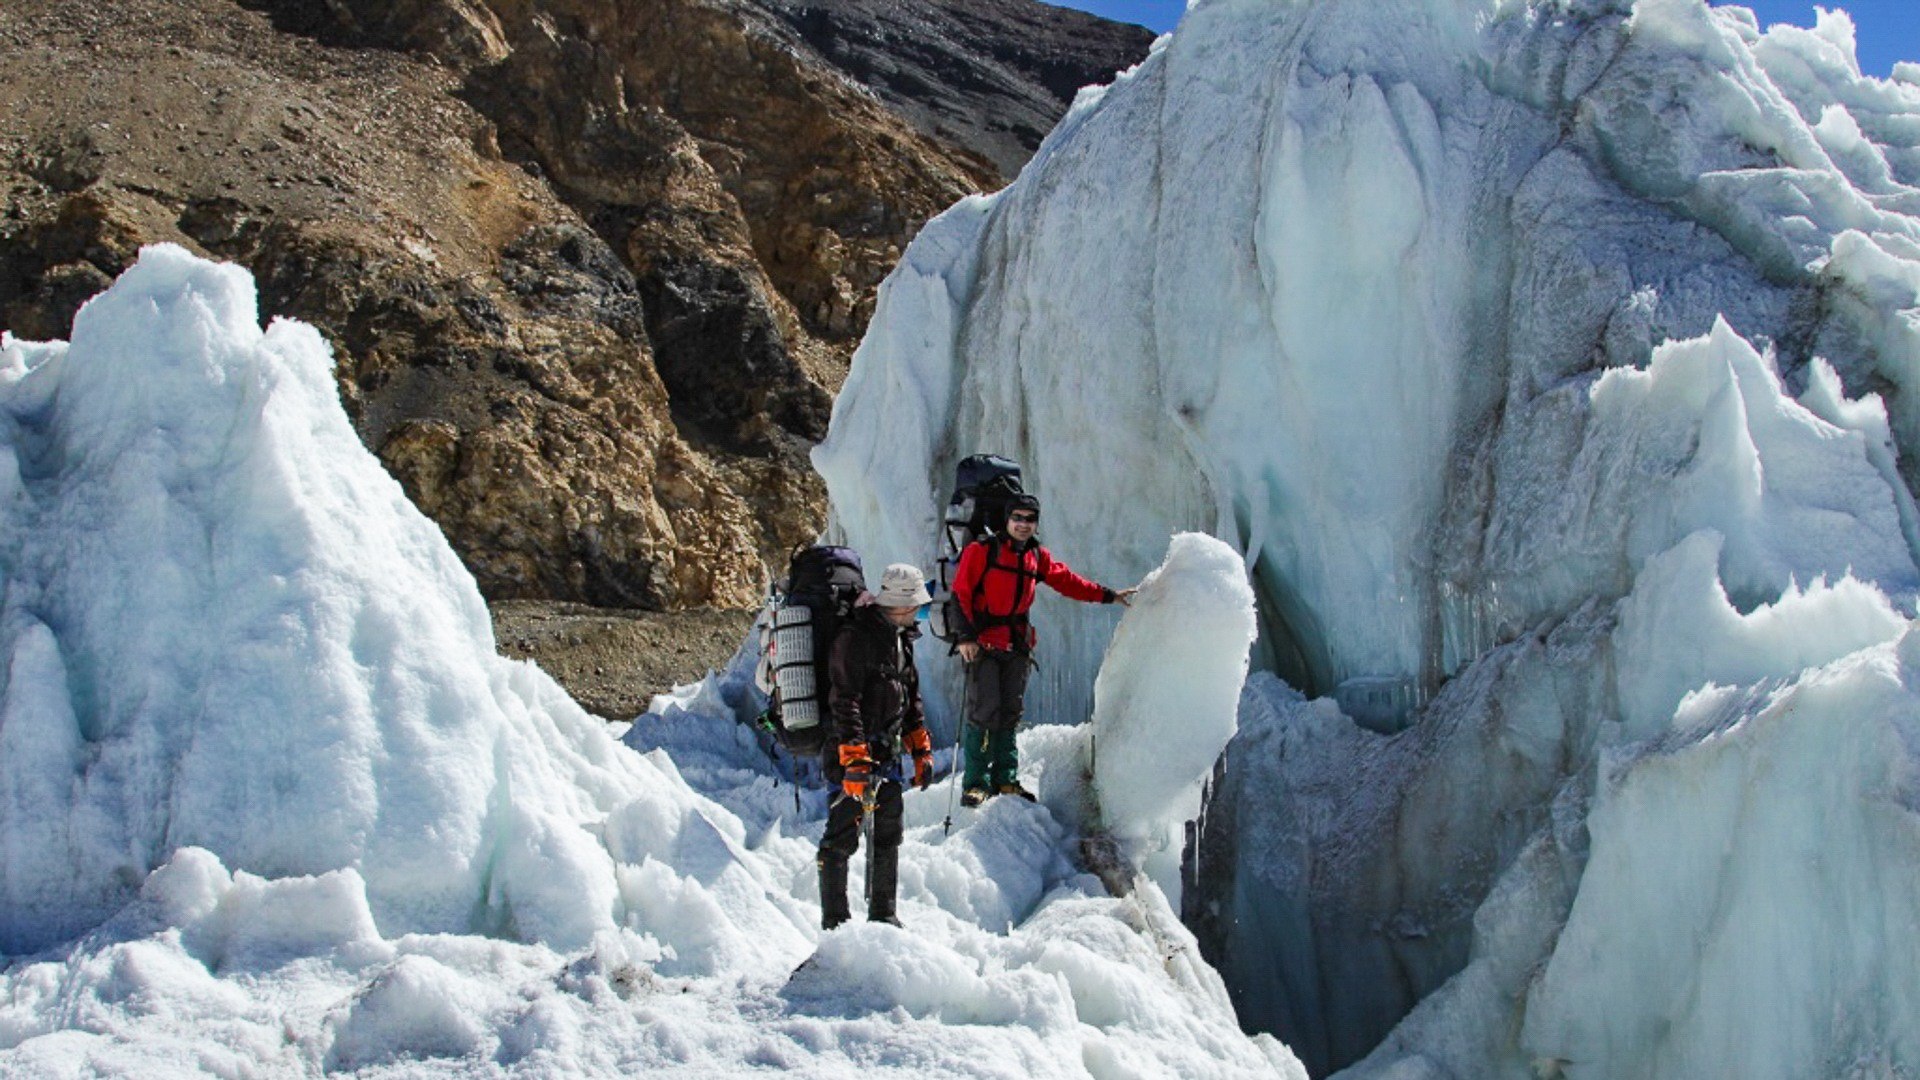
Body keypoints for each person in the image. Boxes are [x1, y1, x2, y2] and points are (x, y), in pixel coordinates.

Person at [952, 493, 1134, 807]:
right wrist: (966, 637)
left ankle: (1006, 780)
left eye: (1029, 519)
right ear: (1006, 520)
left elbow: (1069, 582)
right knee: (984, 711)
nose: (1023, 525)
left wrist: (1109, 596)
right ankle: (976, 783)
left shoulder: (1036, 556)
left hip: (1018, 645)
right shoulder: (981, 551)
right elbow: (960, 594)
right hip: (982, 644)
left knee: (1010, 713)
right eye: (1017, 518)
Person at [818, 563, 935, 930]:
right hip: (852, 753)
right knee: (841, 836)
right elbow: (844, 700)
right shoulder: (855, 638)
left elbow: (909, 696)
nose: (919, 611)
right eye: (916, 604)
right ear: (901, 605)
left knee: (888, 833)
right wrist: (854, 757)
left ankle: (884, 916)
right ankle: (835, 923)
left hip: (886, 753)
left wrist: (920, 747)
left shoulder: (901, 639)